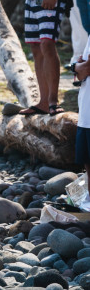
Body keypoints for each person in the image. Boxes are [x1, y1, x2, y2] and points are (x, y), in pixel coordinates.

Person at [73, 36, 90, 201]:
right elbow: (80, 71)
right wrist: (76, 67)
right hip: (86, 112)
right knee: (87, 162)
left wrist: (78, 67)